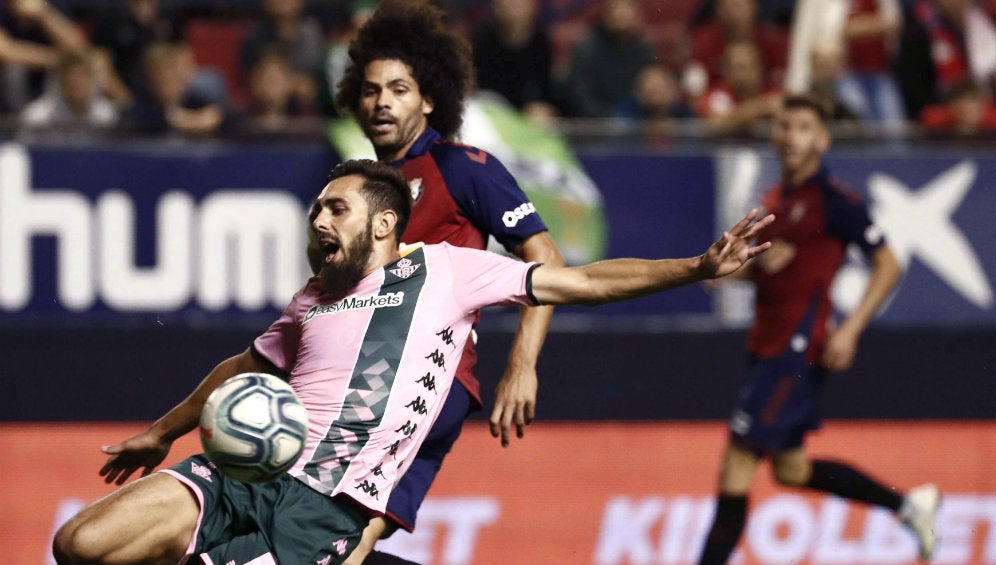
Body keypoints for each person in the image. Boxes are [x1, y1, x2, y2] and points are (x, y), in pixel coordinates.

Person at [52, 158, 775, 565]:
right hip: (246, 473)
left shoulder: (447, 272)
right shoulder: (310, 299)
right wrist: (163, 429)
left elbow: (579, 281)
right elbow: (243, 365)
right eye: (315, 211)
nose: (318, 220)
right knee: (79, 543)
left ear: (385, 222)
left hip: (324, 507)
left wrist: (696, 266)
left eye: (335, 209)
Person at [330, 2, 566, 561]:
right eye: (369, 90)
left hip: (428, 381)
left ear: (430, 98)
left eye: (399, 88)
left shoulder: (461, 167)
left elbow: (546, 261)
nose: (382, 101)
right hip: (362, 386)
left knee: (326, 533)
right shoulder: (358, 190)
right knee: (336, 544)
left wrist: (522, 365)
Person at [695, 95, 941, 565]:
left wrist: (850, 330)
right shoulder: (776, 200)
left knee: (737, 462)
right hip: (766, 346)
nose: (791, 136)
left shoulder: (833, 201)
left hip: (794, 352)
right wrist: (731, 270)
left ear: (823, 139)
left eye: (803, 127)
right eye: (784, 126)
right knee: (791, 469)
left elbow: (888, 265)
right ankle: (910, 505)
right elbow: (777, 269)